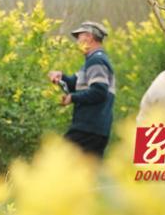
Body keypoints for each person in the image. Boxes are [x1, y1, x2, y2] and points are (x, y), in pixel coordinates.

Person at [48, 21, 115, 158]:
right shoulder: (92, 61)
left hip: (88, 129)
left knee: (58, 162)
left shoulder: (96, 61)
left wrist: (72, 98)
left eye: (79, 37)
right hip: (95, 129)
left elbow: (99, 92)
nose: (77, 41)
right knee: (88, 175)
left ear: (89, 37)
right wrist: (61, 77)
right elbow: (74, 84)